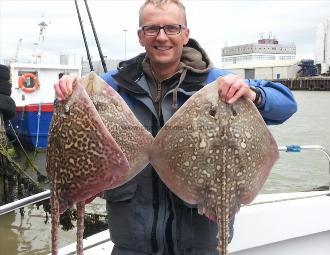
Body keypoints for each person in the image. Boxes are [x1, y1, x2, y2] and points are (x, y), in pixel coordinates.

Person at [54, 0, 297, 254]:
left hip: (201, 240)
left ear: (185, 34)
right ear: (140, 36)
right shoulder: (113, 86)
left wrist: (255, 94)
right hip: (132, 242)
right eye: (151, 29)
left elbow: (286, 104)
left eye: (171, 28)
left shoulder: (216, 83)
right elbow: (67, 119)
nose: (162, 37)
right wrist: (70, 90)